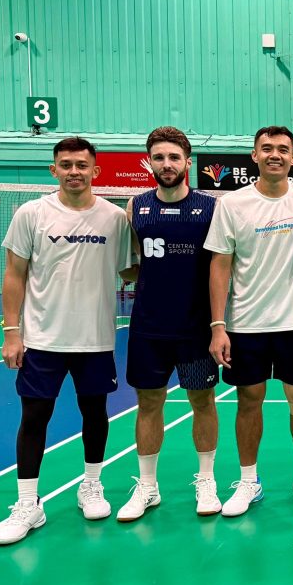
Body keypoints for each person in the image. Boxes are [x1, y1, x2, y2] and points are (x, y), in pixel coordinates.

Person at [0, 137, 134, 546]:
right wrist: (12, 332)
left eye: (82, 165)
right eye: (66, 164)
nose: (74, 171)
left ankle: (91, 485)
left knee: (95, 413)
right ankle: (27, 504)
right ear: (53, 170)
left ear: (95, 171)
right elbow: (14, 273)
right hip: (42, 339)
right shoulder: (31, 213)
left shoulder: (114, 218)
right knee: (34, 417)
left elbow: (130, 272)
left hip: (95, 339)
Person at [204, 126, 293, 517]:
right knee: (248, 401)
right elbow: (220, 265)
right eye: (267, 148)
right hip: (246, 324)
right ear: (254, 155)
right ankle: (248, 481)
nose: (275, 154)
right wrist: (218, 326)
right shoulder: (232, 204)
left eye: (283, 149)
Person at [116, 127, 222, 522]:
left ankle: (207, 480)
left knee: (202, 401)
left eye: (174, 157)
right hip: (148, 328)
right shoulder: (136, 207)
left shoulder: (210, 208)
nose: (166, 164)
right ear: (150, 162)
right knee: (148, 403)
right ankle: (147, 486)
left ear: (187, 163)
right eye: (159, 157)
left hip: (195, 328)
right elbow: (128, 266)